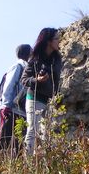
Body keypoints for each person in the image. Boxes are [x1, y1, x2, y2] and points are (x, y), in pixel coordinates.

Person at [21, 28, 63, 156]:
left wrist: (56, 98)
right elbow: (24, 79)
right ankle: (27, 164)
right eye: (56, 39)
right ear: (49, 41)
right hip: (34, 98)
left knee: (47, 135)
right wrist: (37, 80)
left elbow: (57, 81)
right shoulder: (35, 58)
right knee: (33, 130)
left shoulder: (57, 58)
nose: (59, 41)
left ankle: (44, 166)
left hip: (49, 100)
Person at [0, 44, 32, 153]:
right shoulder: (19, 66)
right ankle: (1, 162)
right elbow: (9, 85)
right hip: (12, 110)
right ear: (28, 53)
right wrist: (6, 105)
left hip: (20, 111)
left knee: (16, 143)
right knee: (6, 140)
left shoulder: (26, 67)